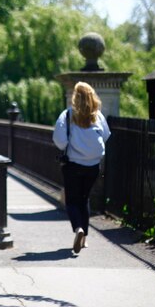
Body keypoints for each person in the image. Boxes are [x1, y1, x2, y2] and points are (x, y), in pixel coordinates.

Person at [52, 82, 111, 254]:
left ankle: (78, 228)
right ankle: (84, 238)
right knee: (84, 198)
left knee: (72, 201)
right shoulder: (98, 116)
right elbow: (106, 135)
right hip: (93, 165)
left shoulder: (68, 115)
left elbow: (59, 140)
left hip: (73, 165)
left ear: (75, 98)